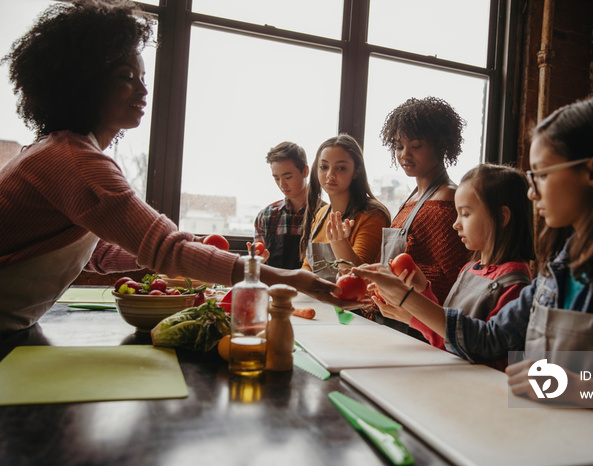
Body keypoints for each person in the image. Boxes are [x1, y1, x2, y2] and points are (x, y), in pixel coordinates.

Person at [354, 96, 593, 454]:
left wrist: (582, 389)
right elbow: (487, 339)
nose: (532, 192)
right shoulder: (556, 274)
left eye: (543, 175)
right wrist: (407, 298)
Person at [0, 0, 349, 337]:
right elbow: (166, 248)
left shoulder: (65, 150)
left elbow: (99, 254)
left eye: (142, 76)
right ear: (85, 82)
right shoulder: (75, 160)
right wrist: (289, 279)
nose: (144, 89)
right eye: (126, 76)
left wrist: (183, 256)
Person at [369, 164, 534, 370]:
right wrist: (423, 291)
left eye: (465, 214)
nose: (456, 224)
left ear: (502, 217)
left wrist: (408, 302)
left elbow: (485, 353)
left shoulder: (515, 284)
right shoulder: (470, 268)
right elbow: (448, 334)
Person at [371, 96, 472, 335]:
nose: (405, 155)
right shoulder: (413, 197)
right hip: (397, 319)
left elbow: (452, 278)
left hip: (420, 328)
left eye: (416, 146)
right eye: (399, 146)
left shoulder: (446, 200)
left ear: (441, 145)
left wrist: (392, 278)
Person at [299, 134, 390, 281]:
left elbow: (360, 277)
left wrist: (339, 243)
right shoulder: (321, 214)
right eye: (323, 167)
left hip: (355, 303)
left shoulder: (373, 215)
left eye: (341, 168)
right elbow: (307, 270)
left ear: (356, 171)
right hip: (318, 302)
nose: (330, 175)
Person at [254, 141, 310, 269]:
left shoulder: (324, 214)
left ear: (305, 171)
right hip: (272, 288)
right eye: (276, 178)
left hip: (308, 288)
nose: (282, 185)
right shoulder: (266, 216)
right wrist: (257, 261)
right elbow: (256, 267)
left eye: (288, 177)